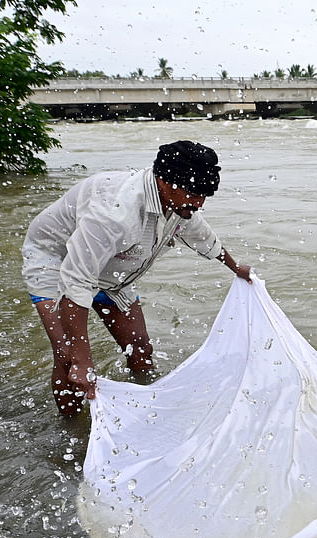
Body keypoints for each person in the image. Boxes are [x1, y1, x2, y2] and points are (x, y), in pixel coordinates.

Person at [21, 140, 252, 417]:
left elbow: (200, 233)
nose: (199, 203)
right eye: (194, 193)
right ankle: (72, 429)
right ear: (164, 181)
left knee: (140, 350)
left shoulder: (181, 203)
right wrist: (83, 361)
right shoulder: (115, 213)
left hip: (111, 268)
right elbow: (76, 281)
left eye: (204, 196)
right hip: (56, 262)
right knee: (69, 356)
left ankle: (145, 410)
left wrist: (235, 267)